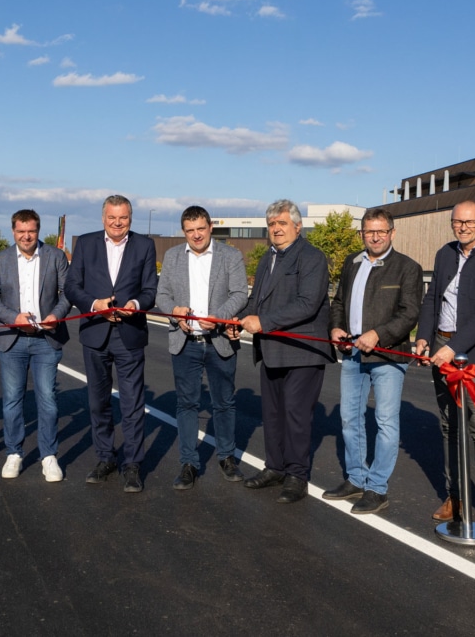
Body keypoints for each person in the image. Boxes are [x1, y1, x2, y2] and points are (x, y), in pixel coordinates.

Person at [414, 200, 475, 530]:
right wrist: (424, 337)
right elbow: (432, 299)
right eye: (458, 222)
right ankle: (454, 496)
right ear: (452, 223)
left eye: (470, 223)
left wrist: (454, 347)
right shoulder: (445, 254)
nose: (464, 227)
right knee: (449, 426)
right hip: (441, 346)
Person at [229, 199, 334, 503]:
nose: (276, 229)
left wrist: (262, 321)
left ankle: (297, 475)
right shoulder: (267, 260)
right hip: (272, 349)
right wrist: (238, 320)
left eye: (282, 223)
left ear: (298, 227)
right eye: (272, 224)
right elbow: (256, 302)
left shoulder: (312, 257)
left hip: (303, 349)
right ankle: (275, 467)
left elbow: (307, 303)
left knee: (296, 415)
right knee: (272, 414)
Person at [324, 208, 422, 514]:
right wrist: (336, 327)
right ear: (362, 234)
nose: (375, 237)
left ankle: (377, 488)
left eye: (381, 231)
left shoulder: (408, 268)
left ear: (392, 233)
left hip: (387, 356)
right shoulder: (353, 263)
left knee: (385, 423)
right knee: (350, 418)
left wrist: (378, 334)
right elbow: (338, 301)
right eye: (369, 231)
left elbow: (409, 313)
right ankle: (355, 478)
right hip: (353, 354)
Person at [65, 195, 157, 493]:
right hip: (95, 333)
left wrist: (133, 303)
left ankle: (132, 464)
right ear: (103, 217)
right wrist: (94, 304)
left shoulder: (144, 245)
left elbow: (150, 289)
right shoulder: (86, 244)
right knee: (98, 402)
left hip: (129, 334)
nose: (118, 223)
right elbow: (71, 287)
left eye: (124, 218)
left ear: (131, 218)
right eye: (112, 218)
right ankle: (105, 457)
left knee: (132, 404)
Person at [155, 205, 249, 490]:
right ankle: (188, 463)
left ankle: (226, 457)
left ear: (210, 228)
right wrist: (175, 311)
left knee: (224, 403)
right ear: (184, 231)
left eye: (200, 229)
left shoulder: (230, 256)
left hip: (219, 341)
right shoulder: (172, 257)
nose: (196, 235)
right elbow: (162, 294)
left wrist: (217, 317)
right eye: (190, 230)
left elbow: (239, 293)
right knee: (187, 404)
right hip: (186, 343)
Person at [0, 209, 71, 481]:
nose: (26, 236)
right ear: (13, 232)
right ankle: (14, 453)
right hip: (13, 340)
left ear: (38, 230)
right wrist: (13, 318)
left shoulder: (55, 257)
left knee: (48, 401)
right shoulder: (1, 260)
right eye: (21, 231)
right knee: (12, 402)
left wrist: (56, 315)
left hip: (47, 340)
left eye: (31, 231)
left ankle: (48, 456)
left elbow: (68, 293)